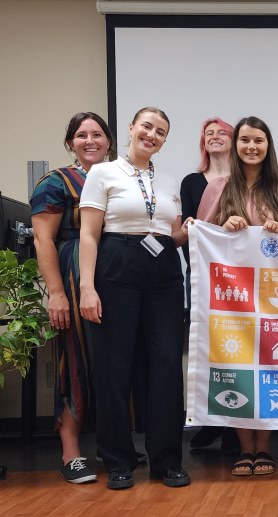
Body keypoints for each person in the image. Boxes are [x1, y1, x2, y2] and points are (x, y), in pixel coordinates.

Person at [79, 107, 190, 490]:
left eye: (160, 131)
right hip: (116, 266)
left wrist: (187, 230)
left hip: (163, 273)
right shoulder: (103, 172)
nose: (152, 135)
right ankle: (119, 461)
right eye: (146, 126)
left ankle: (167, 461)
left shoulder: (169, 178)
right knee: (114, 368)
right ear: (130, 128)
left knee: (165, 366)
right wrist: (87, 288)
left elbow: (171, 235)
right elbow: (90, 234)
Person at [195, 115, 278, 477]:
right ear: (236, 146)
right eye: (245, 141)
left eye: (259, 141)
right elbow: (200, 235)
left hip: (271, 296)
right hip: (231, 299)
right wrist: (225, 227)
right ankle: (244, 447)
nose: (252, 147)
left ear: (268, 147)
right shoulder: (218, 186)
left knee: (268, 366)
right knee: (236, 369)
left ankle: (264, 448)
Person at [29, 112, 114, 484]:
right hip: (74, 275)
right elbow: (43, 239)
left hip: (113, 277)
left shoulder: (120, 178)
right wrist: (58, 294)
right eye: (82, 135)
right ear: (70, 143)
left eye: (98, 134)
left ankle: (112, 447)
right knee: (74, 359)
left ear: (110, 141)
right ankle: (71, 451)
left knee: (111, 363)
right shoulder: (55, 182)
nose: (90, 140)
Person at [180, 117, 236, 451]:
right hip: (203, 274)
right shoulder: (191, 182)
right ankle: (211, 421)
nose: (214, 137)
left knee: (235, 346)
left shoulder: (247, 179)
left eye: (221, 133)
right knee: (207, 347)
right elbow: (189, 228)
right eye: (208, 134)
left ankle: (233, 427)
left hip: (239, 278)